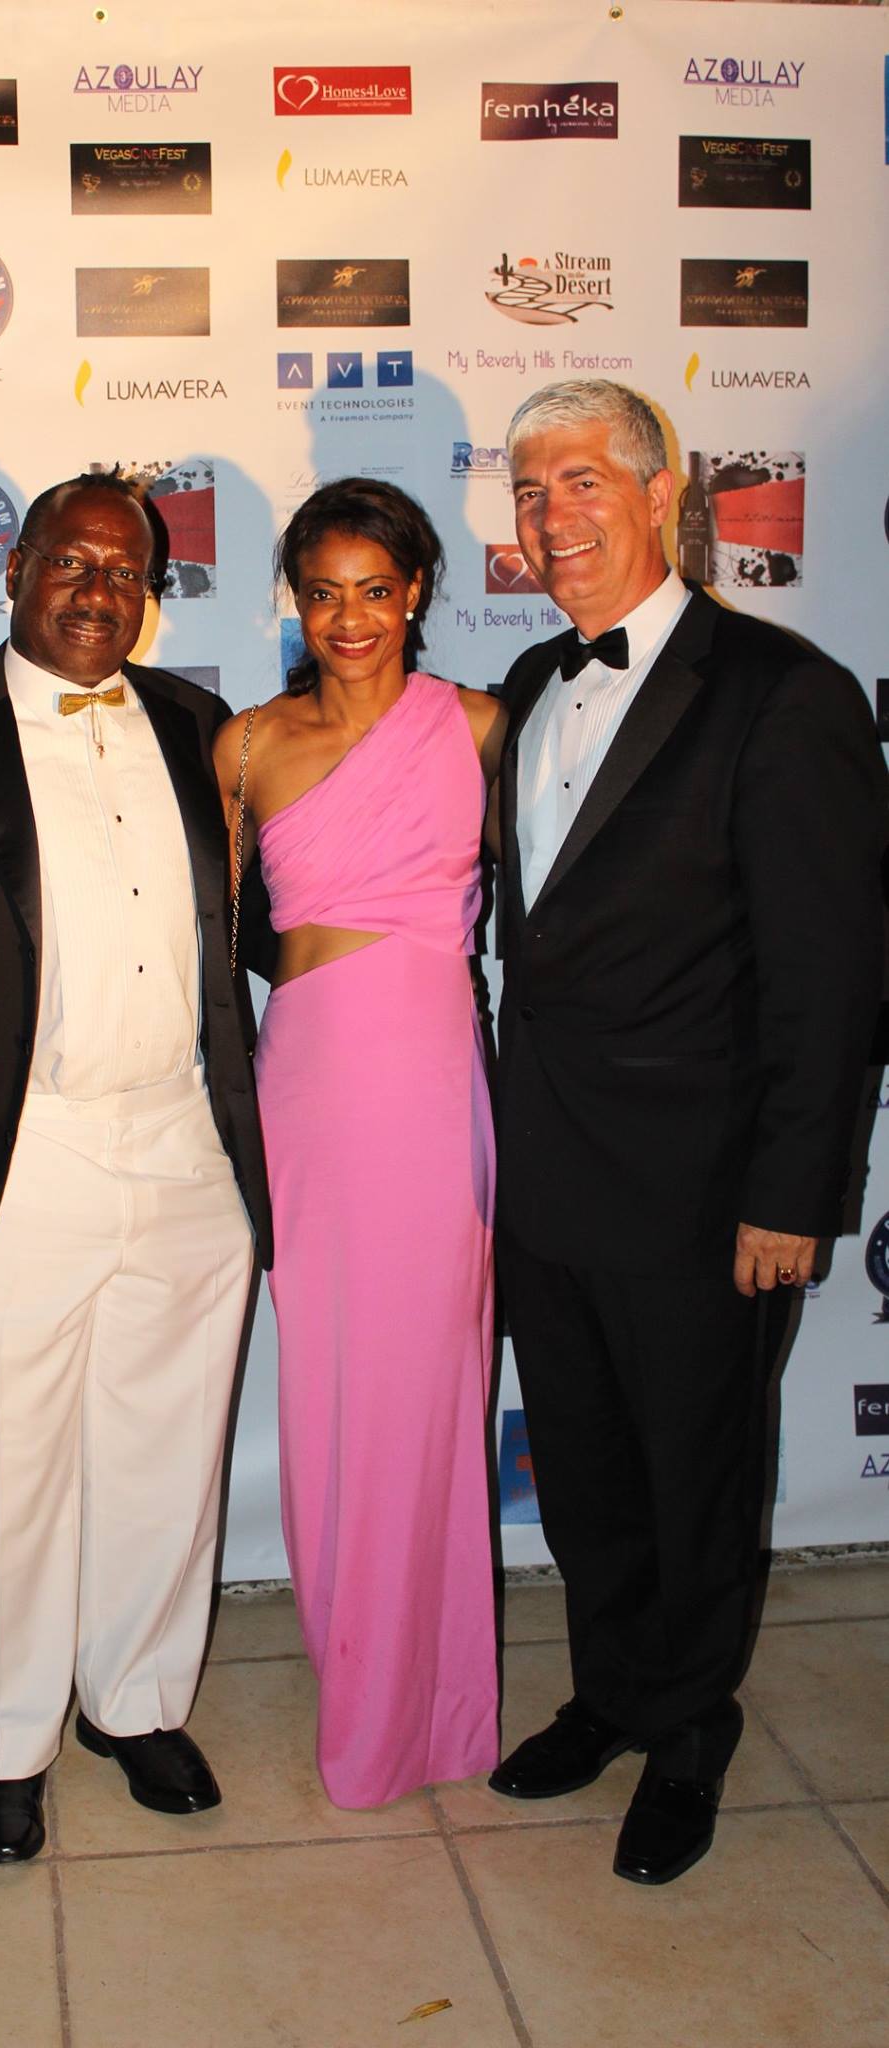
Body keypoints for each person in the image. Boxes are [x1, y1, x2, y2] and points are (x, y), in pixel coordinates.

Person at [491, 379, 885, 1883]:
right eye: (530, 493)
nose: (553, 516)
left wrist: (789, 1192)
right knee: (586, 1469)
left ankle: (691, 1729)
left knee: (694, 1473)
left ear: (662, 496)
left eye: (584, 482)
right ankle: (611, 1691)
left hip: (707, 1192)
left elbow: (826, 977)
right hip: (544, 1173)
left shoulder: (784, 695)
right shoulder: (528, 684)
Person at [0, 473, 271, 1865]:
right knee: (6, 1465)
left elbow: (275, 916)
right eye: (71, 560)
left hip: (183, 1139)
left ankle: (136, 1702)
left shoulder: (200, 726)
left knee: (167, 1449)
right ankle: (4, 1736)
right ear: (14, 571)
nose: (98, 586)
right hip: (15, 1153)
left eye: (125, 566)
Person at [212, 479, 506, 1807]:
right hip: (314, 1085)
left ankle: (436, 1706)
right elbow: (218, 952)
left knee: (430, 1390)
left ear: (415, 597)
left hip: (435, 1083)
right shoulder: (245, 746)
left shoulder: (484, 727)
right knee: (332, 1392)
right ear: (294, 597)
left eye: (372, 590)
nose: (347, 616)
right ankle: (362, 1681)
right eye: (322, 590)